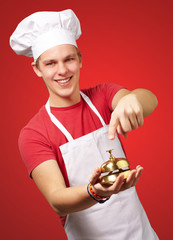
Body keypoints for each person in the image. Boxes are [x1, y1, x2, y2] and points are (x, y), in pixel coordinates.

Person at [10, 9, 159, 240]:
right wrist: (96, 192)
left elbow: (150, 100)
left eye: (69, 59)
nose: (62, 70)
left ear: (80, 59)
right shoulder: (34, 133)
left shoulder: (103, 96)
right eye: (51, 63)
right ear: (37, 69)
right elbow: (57, 199)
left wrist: (132, 99)